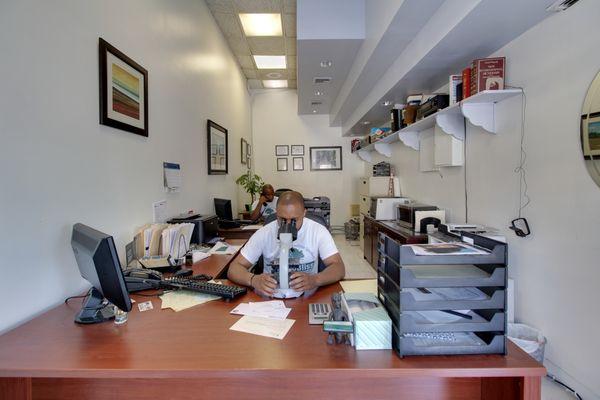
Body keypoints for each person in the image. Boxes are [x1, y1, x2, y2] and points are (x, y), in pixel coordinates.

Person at [228, 191, 345, 298]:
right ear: (276, 213)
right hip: (271, 299)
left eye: (294, 220)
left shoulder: (318, 231)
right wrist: (253, 279)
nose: (288, 226)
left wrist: (315, 279)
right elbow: (234, 268)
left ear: (304, 213)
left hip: (307, 298)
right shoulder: (264, 233)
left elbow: (338, 267)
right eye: (282, 219)